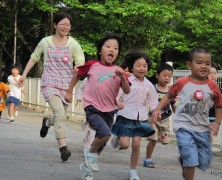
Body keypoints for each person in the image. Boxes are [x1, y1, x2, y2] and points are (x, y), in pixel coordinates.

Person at [19, 11, 85, 162]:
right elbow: (34, 58)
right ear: (55, 25)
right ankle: (63, 148)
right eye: (62, 24)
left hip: (66, 85)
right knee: (60, 114)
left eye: (68, 25)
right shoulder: (45, 42)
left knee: (61, 116)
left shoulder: (73, 44)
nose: (65, 27)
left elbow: (80, 61)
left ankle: (47, 122)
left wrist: (78, 67)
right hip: (49, 83)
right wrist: (23, 74)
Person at [65, 32, 131, 180]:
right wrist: (69, 92)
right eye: (108, 46)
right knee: (105, 133)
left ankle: (86, 168)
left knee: (101, 142)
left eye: (115, 48)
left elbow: (127, 90)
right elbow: (77, 75)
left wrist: (122, 77)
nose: (112, 50)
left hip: (109, 110)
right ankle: (89, 153)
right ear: (100, 50)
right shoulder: (92, 65)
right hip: (92, 107)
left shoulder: (119, 71)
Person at [151, 47, 222, 180]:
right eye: (199, 62)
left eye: (207, 63)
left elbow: (219, 105)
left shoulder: (213, 86)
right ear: (189, 65)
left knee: (204, 163)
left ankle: (185, 161)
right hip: (183, 126)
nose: (204, 66)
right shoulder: (182, 82)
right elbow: (169, 96)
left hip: (202, 128)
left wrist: (217, 122)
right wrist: (157, 109)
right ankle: (187, 164)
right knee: (191, 159)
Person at [111, 50, 158, 180]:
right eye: (138, 65)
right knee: (125, 145)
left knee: (136, 145)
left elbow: (153, 103)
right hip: (125, 116)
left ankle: (133, 171)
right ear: (132, 67)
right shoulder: (126, 80)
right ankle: (116, 136)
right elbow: (116, 95)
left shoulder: (149, 85)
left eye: (145, 66)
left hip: (141, 119)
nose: (142, 68)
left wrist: (154, 113)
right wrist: (117, 103)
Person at [144, 63, 175, 168]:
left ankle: (161, 137)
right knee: (153, 139)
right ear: (157, 75)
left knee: (166, 141)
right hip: (152, 118)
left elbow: (174, 105)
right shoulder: (151, 88)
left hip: (165, 119)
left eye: (169, 76)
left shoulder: (171, 91)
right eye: (164, 75)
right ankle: (148, 159)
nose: (167, 78)